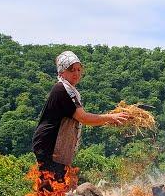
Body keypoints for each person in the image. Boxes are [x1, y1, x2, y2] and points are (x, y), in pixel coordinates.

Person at [32, 51, 129, 188]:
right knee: (52, 188)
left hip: (55, 146)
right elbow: (83, 117)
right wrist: (111, 118)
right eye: (71, 70)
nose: (76, 73)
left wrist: (110, 117)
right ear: (62, 72)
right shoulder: (62, 90)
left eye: (78, 69)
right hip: (50, 146)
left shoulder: (69, 89)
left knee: (57, 186)